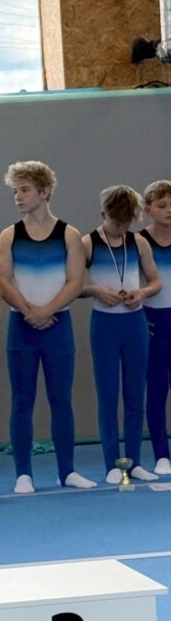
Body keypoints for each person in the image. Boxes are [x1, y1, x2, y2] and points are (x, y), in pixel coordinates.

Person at [0, 161, 96, 494]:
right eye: (15, 191)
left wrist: (46, 310)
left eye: (25, 190)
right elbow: (3, 280)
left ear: (45, 192)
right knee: (22, 401)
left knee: (61, 399)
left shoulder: (69, 235)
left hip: (57, 327)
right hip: (21, 327)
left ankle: (66, 471)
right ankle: (23, 474)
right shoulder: (9, 236)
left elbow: (75, 281)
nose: (18, 197)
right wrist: (29, 311)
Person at [82, 185, 160, 483]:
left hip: (134, 323)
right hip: (105, 325)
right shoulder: (87, 243)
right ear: (103, 214)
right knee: (108, 394)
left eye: (126, 224)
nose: (120, 230)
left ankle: (135, 461)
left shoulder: (138, 242)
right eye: (116, 224)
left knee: (135, 393)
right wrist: (96, 290)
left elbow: (155, 282)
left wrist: (142, 293)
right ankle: (113, 464)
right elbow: (71, 285)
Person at [139, 180, 171, 474]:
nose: (169, 210)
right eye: (162, 205)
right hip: (153, 321)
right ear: (148, 210)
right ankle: (162, 454)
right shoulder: (139, 242)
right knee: (157, 388)